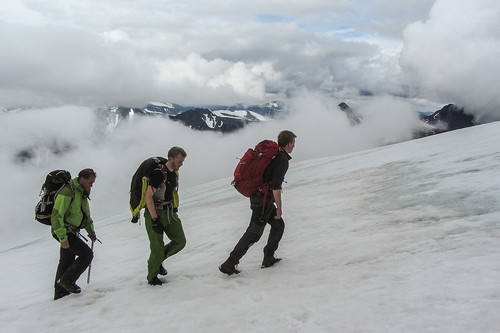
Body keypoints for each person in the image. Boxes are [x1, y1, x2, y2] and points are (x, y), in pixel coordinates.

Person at [219, 130, 296, 275]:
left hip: (259, 196)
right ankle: (229, 263)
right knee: (254, 233)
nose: (294, 146)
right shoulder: (281, 159)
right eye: (293, 143)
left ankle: (268, 257)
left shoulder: (275, 155)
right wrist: (279, 207)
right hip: (263, 200)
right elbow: (276, 185)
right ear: (289, 143)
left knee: (278, 224)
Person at [143, 147, 187, 286]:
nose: (181, 164)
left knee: (180, 241)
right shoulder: (159, 174)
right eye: (179, 161)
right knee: (157, 248)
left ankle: (159, 260)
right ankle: (152, 277)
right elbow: (148, 197)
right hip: (154, 213)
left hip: (169, 212)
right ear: (171, 159)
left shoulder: (174, 173)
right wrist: (155, 219)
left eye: (182, 161)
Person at [51, 168, 97, 300]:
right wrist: (62, 237)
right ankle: (67, 281)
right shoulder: (68, 191)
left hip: (70, 231)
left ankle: (60, 294)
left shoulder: (82, 191)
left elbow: (85, 215)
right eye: (90, 182)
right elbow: (56, 215)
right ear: (82, 179)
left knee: (66, 261)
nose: (91, 185)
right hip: (64, 231)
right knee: (87, 255)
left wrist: (91, 232)